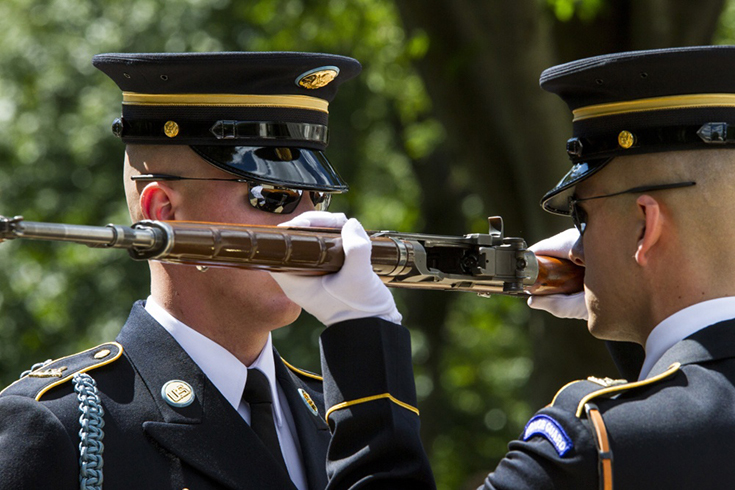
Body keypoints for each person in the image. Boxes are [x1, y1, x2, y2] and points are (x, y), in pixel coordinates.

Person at [277, 45, 735, 489]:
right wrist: (638, 320)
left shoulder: (594, 442)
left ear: (644, 228)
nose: (578, 248)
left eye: (583, 217)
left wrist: (361, 332)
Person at [0, 52, 433, 490]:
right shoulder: (60, 426)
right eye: (274, 196)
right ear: (164, 212)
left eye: (317, 199)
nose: (314, 224)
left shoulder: (341, 411)